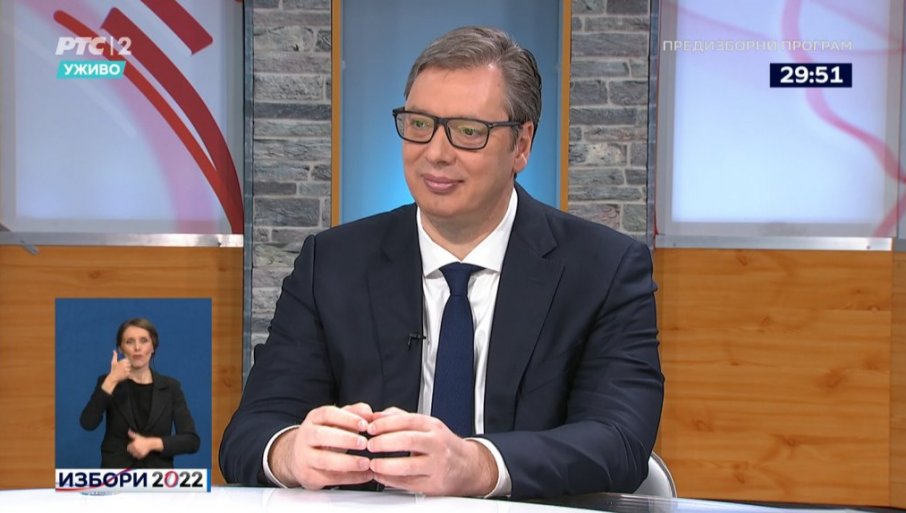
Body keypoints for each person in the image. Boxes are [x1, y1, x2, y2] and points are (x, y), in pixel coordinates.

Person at [220, 26, 663, 499]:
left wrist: (478, 465)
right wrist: (291, 451)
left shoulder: (604, 270)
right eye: (419, 125)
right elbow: (250, 432)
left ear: (521, 144)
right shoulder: (331, 264)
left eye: (468, 132)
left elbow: (619, 442)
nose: (435, 153)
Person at [80, 317, 200, 468]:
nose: (137, 347)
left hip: (157, 477)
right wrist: (112, 380)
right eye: (129, 342)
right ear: (120, 348)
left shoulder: (171, 387)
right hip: (117, 476)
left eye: (144, 341)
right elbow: (88, 423)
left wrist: (151, 443)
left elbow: (191, 441)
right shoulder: (108, 382)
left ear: (153, 347)